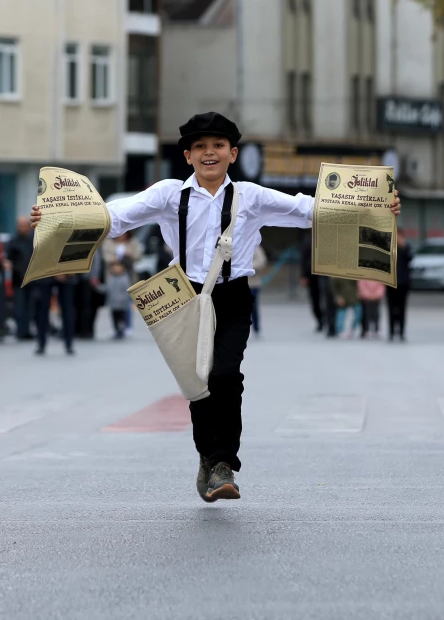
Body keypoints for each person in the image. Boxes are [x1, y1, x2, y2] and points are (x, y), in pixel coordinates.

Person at [30, 110, 401, 502]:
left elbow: (307, 209)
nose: (210, 153)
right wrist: (52, 217)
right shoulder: (168, 195)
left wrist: (375, 207)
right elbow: (113, 217)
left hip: (233, 296)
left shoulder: (251, 197)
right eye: (200, 147)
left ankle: (224, 464)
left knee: (226, 374)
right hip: (184, 296)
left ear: (233, 153)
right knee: (198, 384)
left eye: (218, 146)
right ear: (188, 156)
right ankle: (208, 458)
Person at [5, 216, 37, 340]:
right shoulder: (13, 241)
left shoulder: (34, 239)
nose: (23, 228)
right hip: (18, 278)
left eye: (25, 225)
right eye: (20, 226)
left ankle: (28, 330)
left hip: (32, 278)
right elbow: (8, 258)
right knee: (19, 305)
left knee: (30, 306)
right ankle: (21, 330)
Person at [35, 275, 77, 356]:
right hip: (57, 275)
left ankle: (68, 343)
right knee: (44, 310)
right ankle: (68, 344)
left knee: (66, 309)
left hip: (50, 274)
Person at [386, 241, 412, 341]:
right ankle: (391, 331)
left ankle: (401, 331)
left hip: (403, 283)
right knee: (391, 308)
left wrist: (403, 246)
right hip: (390, 282)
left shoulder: (406, 246)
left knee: (402, 308)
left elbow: (410, 258)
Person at [299, 231, 325, 332]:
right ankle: (320, 321)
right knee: (315, 300)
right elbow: (304, 259)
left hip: (325, 275)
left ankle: (329, 321)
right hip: (312, 276)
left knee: (327, 299)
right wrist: (303, 276)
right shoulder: (308, 241)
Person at [104, 261, 132, 340]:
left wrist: (124, 300)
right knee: (114, 319)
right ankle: (116, 331)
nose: (115, 269)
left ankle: (121, 331)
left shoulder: (125, 278)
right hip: (113, 303)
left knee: (121, 319)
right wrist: (97, 287)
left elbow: (127, 291)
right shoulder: (111, 278)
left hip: (121, 303)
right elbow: (107, 288)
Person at [251, 245, 268, 337]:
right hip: (237, 282)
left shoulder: (256, 247)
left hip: (253, 283)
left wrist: (247, 266)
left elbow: (262, 261)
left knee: (253, 307)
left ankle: (256, 328)